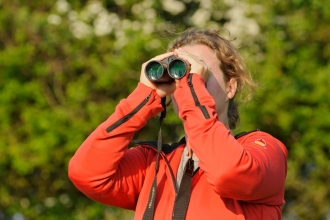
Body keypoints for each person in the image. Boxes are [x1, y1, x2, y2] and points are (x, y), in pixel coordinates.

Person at [68, 28, 288, 219]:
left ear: (230, 87)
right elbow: (86, 174)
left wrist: (191, 86)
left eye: (201, 74)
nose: (186, 84)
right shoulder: (154, 163)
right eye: (179, 76)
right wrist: (144, 98)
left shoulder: (263, 150)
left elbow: (227, 173)